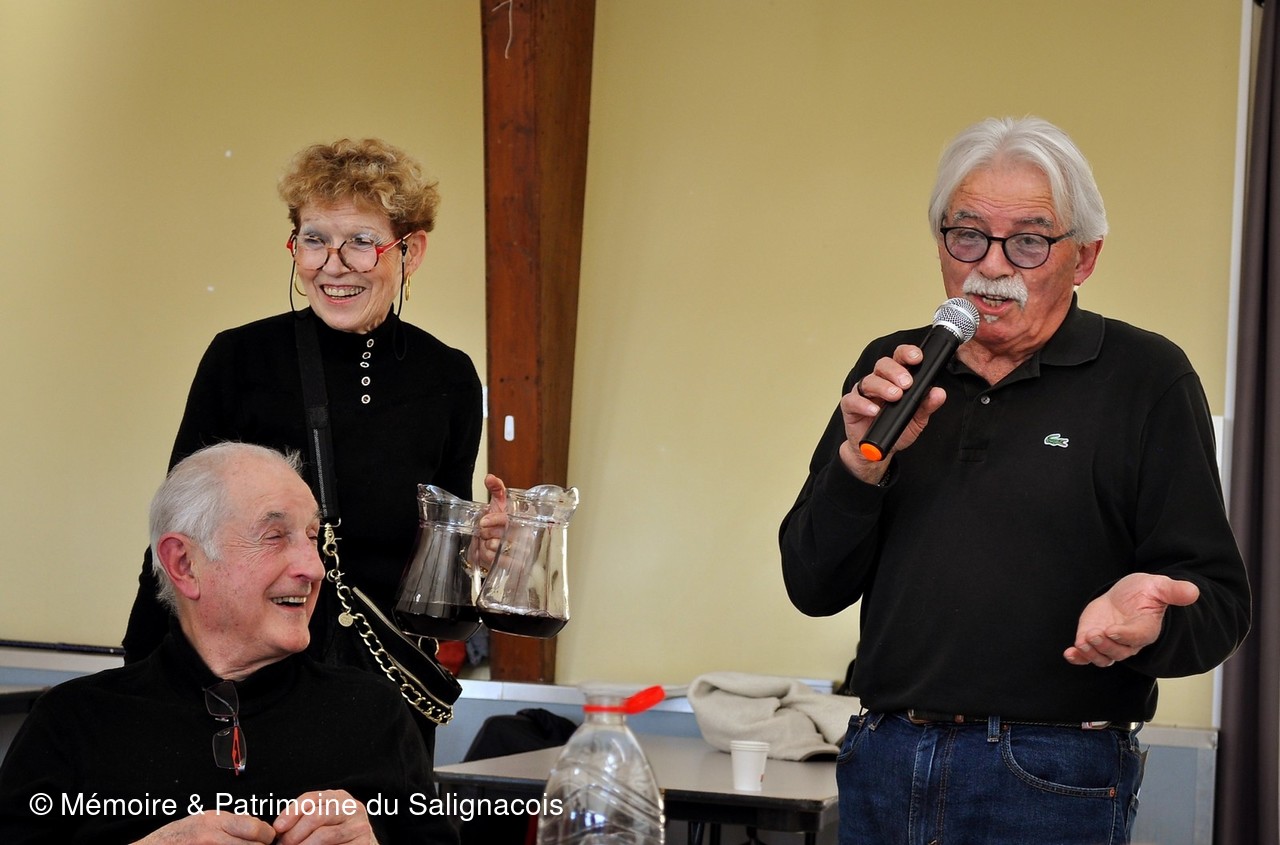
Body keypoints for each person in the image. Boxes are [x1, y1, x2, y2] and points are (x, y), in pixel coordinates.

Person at [778, 116, 1250, 845]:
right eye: (967, 235)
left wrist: (1151, 622)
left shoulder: (1146, 378)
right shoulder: (895, 368)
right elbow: (812, 585)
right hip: (885, 756)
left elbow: (1218, 604)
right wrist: (859, 467)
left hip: (1053, 772)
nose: (990, 265)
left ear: (1084, 257)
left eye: (1029, 241)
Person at [122, 138, 505, 747]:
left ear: (410, 251)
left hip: (382, 691)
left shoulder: (449, 378)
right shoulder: (242, 358)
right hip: (249, 685)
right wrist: (144, 674)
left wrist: (478, 553)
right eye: (314, 239)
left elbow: (440, 562)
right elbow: (178, 535)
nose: (333, 264)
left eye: (360, 241)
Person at [0, 443, 459, 844]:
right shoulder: (75, 721)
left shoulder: (372, 712)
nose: (314, 568)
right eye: (275, 537)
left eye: (313, 537)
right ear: (184, 564)